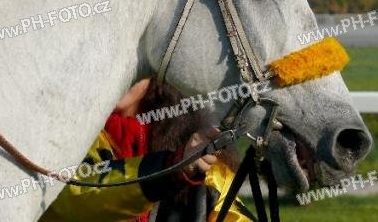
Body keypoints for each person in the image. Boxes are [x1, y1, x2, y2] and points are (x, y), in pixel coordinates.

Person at [40, 78, 254, 222]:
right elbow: (73, 199)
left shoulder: (202, 149)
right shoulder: (59, 132)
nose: (121, 73)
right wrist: (171, 167)